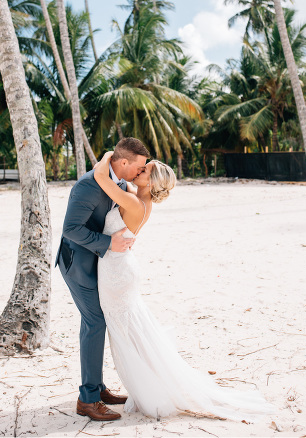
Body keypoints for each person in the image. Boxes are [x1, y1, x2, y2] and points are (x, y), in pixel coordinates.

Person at [92, 151, 274, 421]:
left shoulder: (133, 201)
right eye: (142, 167)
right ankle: (147, 385)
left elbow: (99, 176)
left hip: (116, 274)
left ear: (151, 183)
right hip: (121, 269)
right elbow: (122, 184)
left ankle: (147, 391)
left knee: (125, 336)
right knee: (134, 333)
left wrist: (111, 154)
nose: (139, 170)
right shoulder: (141, 199)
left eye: (146, 170)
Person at [55, 137, 148, 421]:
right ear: (123, 162)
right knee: (95, 322)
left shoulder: (118, 184)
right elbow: (70, 229)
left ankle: (97, 388)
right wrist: (108, 242)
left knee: (99, 321)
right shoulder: (88, 185)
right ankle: (88, 400)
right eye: (138, 167)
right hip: (77, 264)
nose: (139, 173)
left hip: (98, 263)